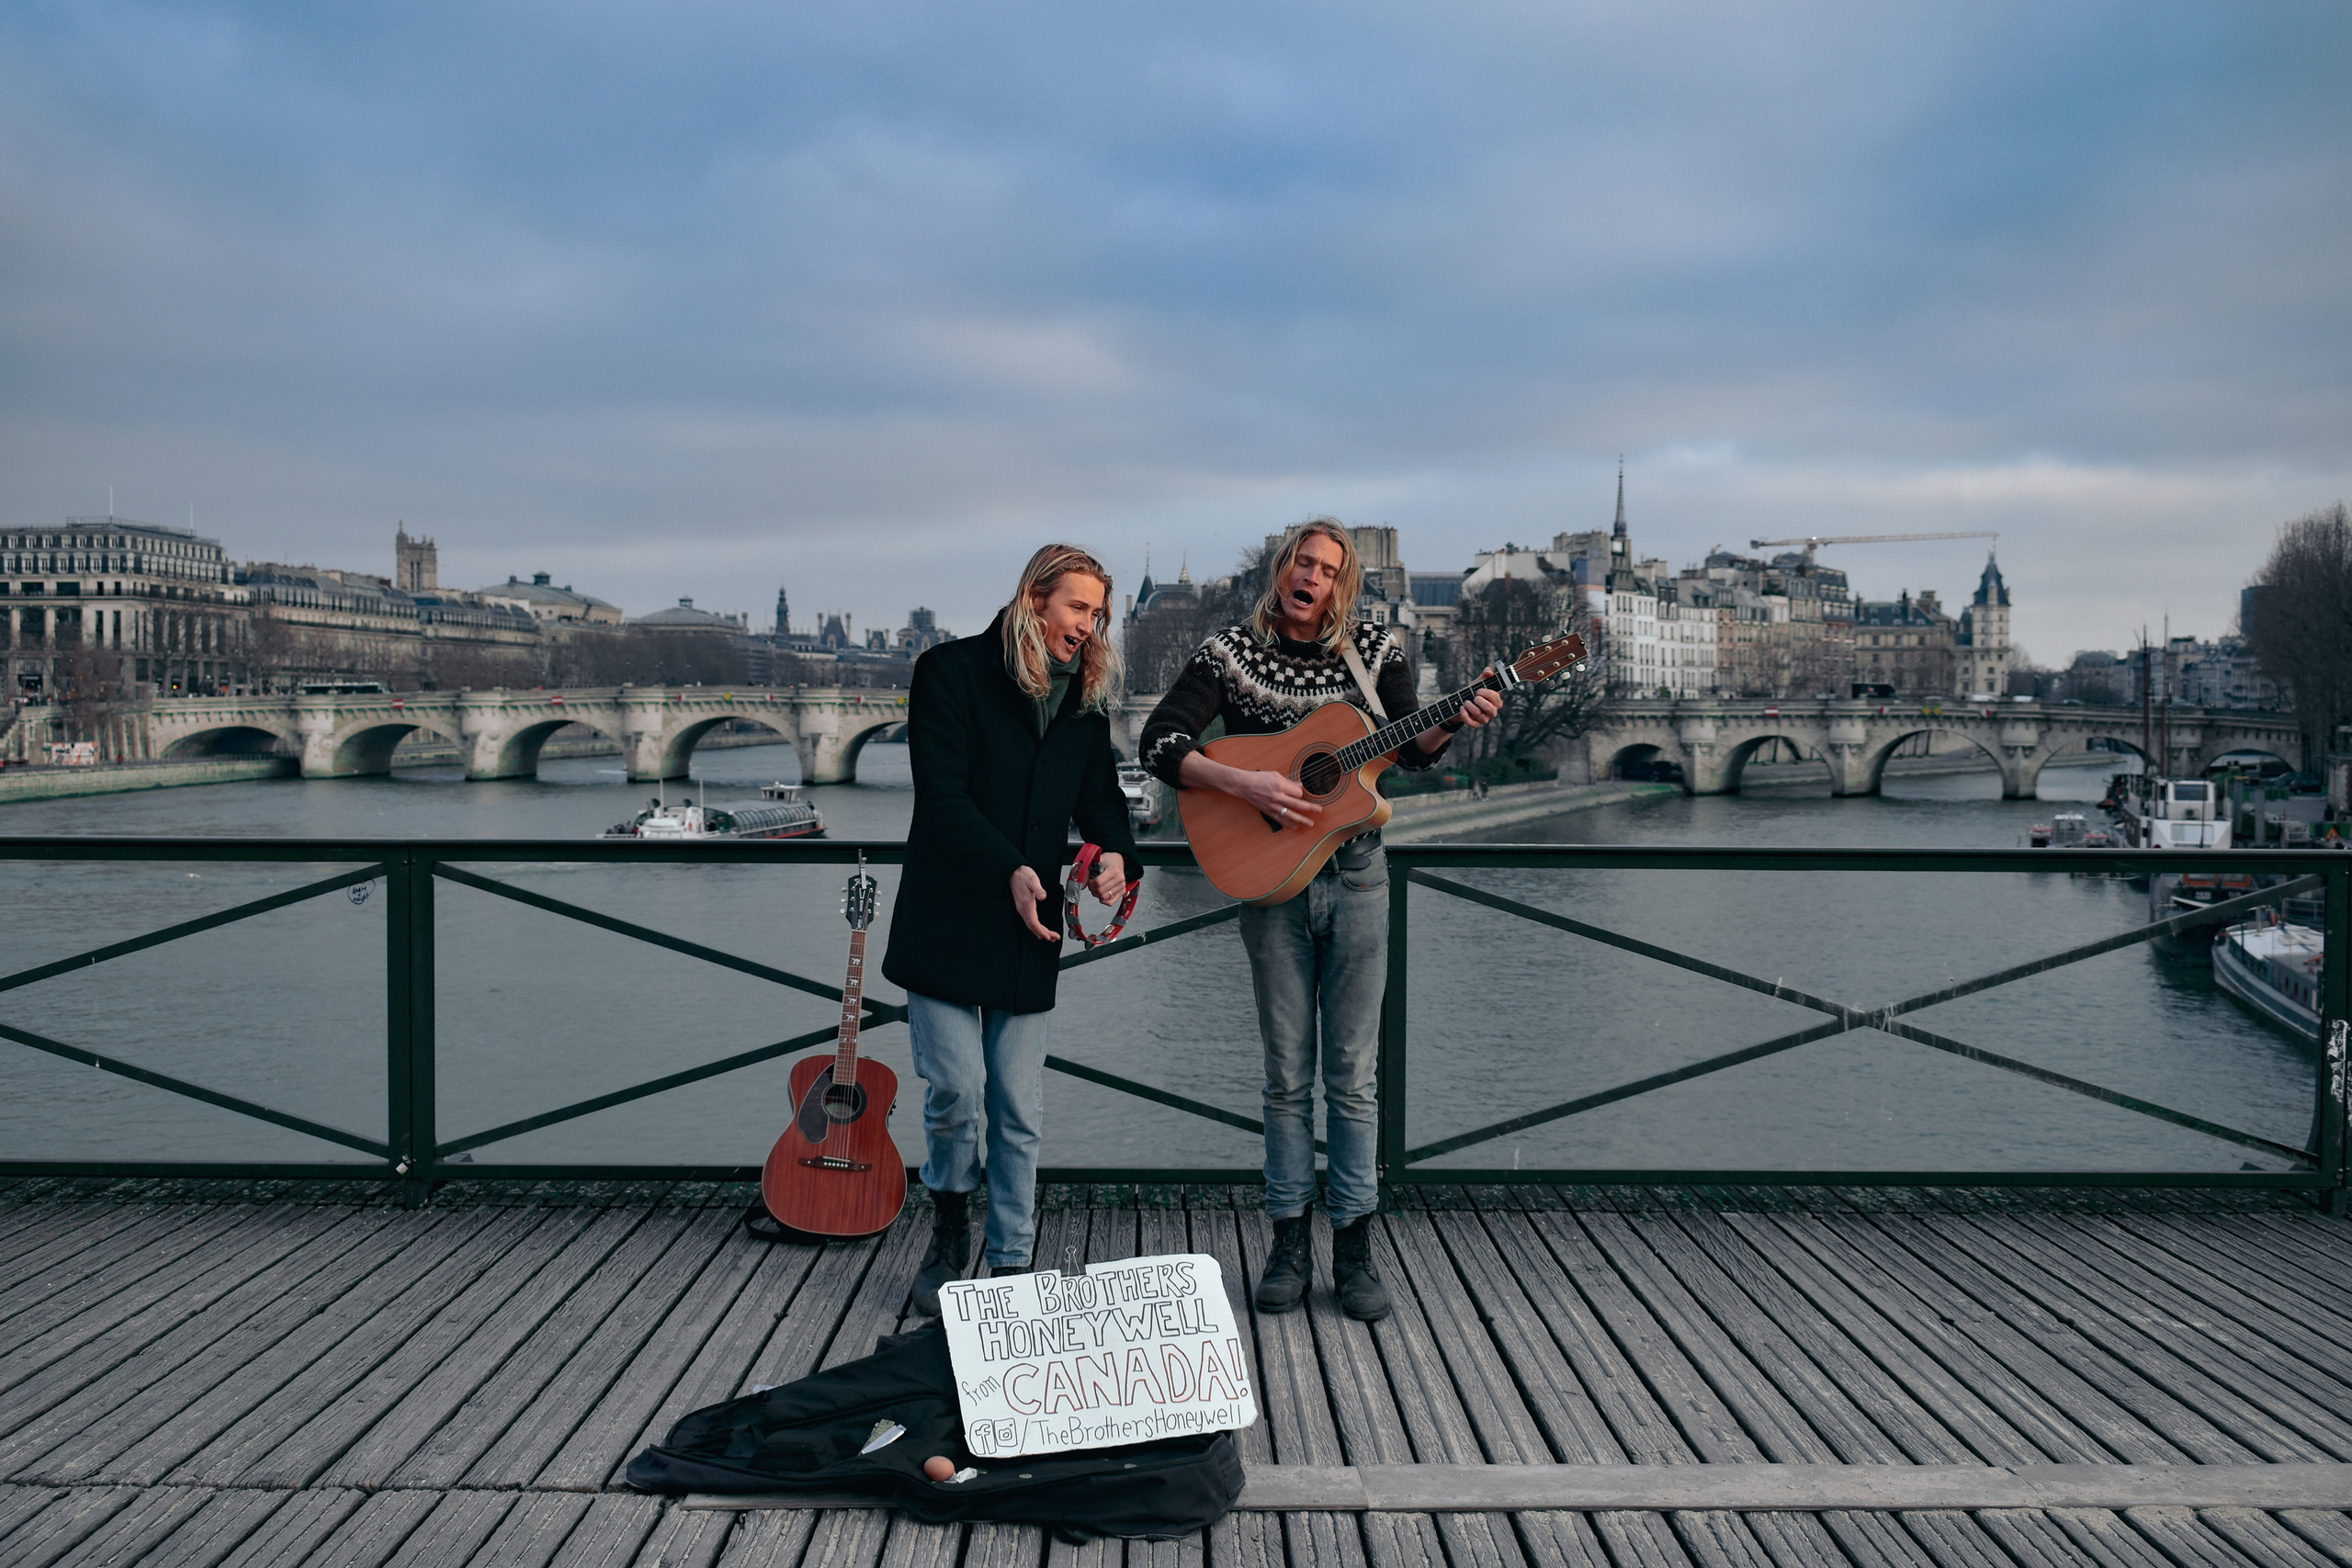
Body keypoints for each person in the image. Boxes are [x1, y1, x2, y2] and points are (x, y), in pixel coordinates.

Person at [1138, 519, 1500, 1320]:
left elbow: (1414, 747)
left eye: (1330, 570)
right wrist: (1247, 786)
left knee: (1354, 1076)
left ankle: (1356, 1247)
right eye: (1303, 562)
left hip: (1360, 876)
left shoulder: (1376, 652)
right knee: (1286, 1077)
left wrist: (1456, 715)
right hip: (1272, 887)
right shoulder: (1228, 651)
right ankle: (1287, 1242)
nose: (1314, 577)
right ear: (1282, 569)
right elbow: (1159, 741)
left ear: (1346, 586)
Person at [883, 544, 1141, 1315]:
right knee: (958, 1091)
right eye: (1077, 609)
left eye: (1098, 615)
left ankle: (1011, 1264)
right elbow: (944, 799)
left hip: (1032, 928)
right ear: (1034, 600)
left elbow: (1102, 804)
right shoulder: (948, 672)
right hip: (951, 915)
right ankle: (948, 1227)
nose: (1089, 628)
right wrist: (1012, 868)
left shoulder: (1085, 703)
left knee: (1019, 1106)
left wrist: (1116, 859)